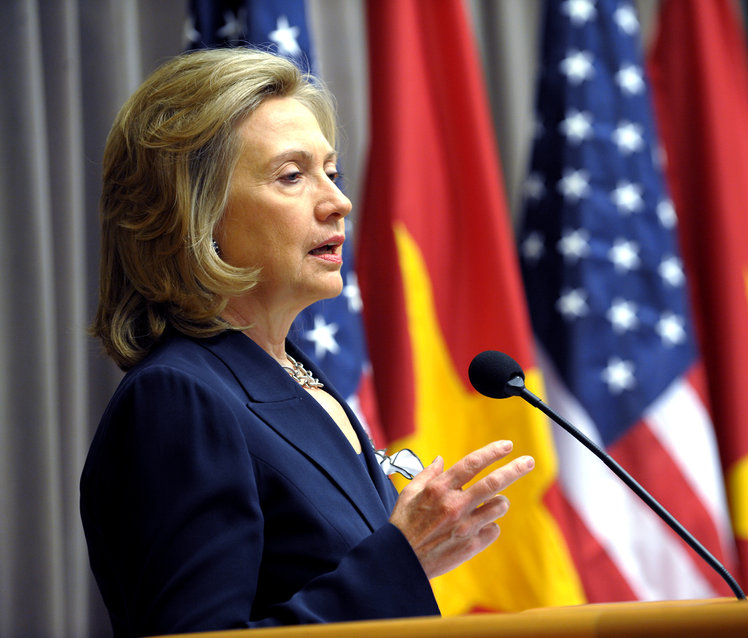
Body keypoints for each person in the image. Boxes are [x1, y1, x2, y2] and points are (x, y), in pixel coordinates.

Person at [80, 47, 535, 637]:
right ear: (195, 213)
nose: (339, 202)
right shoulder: (178, 399)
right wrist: (404, 559)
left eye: (332, 172)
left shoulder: (297, 377)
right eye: (292, 176)